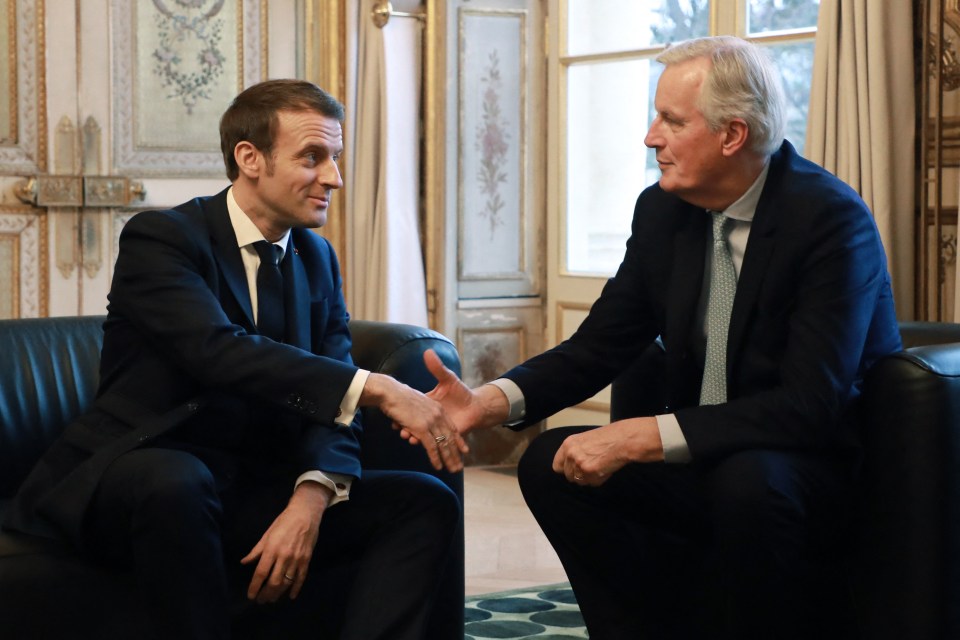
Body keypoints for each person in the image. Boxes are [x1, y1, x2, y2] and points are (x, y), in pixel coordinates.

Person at [419, 36, 902, 639]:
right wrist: (488, 402)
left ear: (732, 135)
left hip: (809, 465)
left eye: (672, 120)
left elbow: (809, 405)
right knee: (551, 462)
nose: (651, 137)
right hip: (708, 451)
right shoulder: (663, 211)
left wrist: (644, 435)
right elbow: (600, 344)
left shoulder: (829, 220)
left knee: (745, 482)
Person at [2, 79, 468, 640]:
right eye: (312, 157)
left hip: (248, 481)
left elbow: (332, 404)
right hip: (143, 468)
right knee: (178, 480)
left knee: (423, 502)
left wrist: (312, 494)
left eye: (336, 158)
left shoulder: (317, 257)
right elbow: (217, 351)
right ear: (250, 158)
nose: (334, 178)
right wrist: (380, 387)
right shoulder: (163, 238)